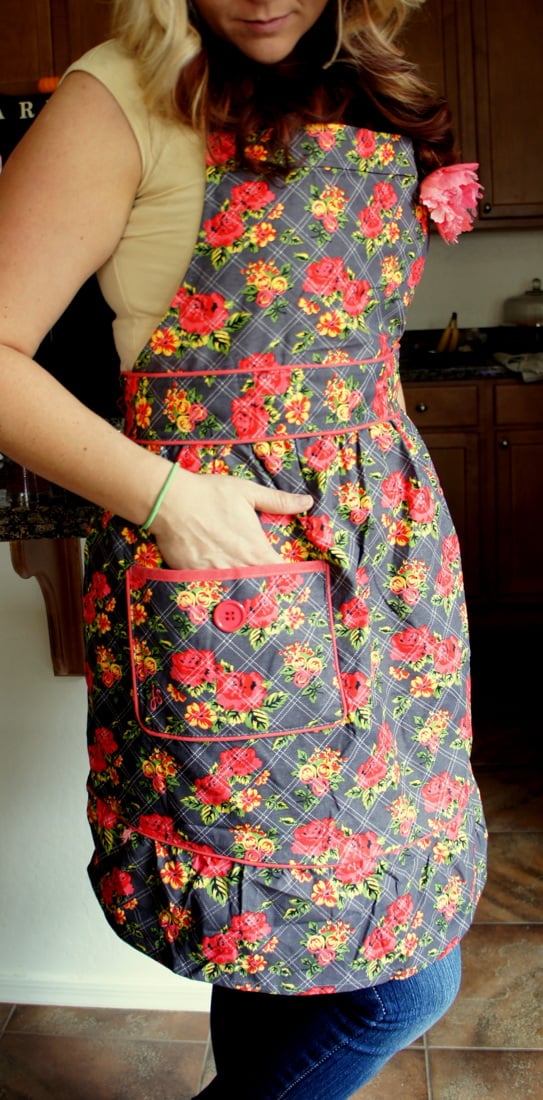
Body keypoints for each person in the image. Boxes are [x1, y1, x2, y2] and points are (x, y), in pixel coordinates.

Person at [0, 1, 487, 1096]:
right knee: (393, 980)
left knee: (282, 936)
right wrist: (168, 494)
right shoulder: (115, 98)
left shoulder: (367, 85)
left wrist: (388, 509)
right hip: (232, 579)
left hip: (382, 582)